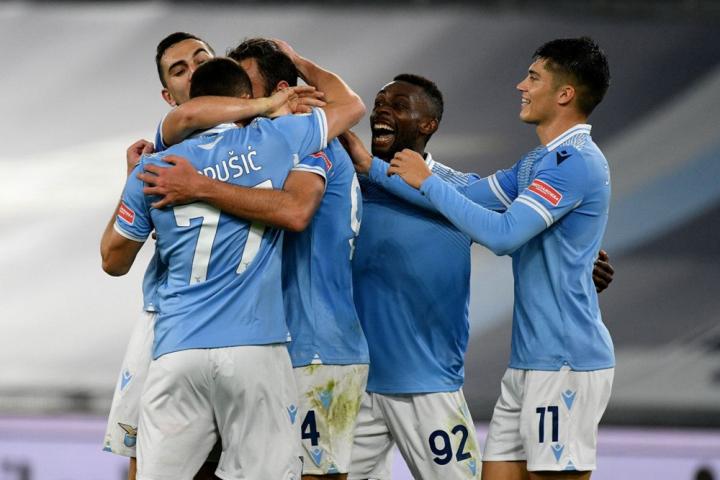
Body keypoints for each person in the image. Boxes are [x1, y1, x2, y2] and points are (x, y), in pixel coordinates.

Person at [100, 55, 364, 479]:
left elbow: (113, 261)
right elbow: (351, 106)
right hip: (255, 348)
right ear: (243, 99)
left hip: (178, 348)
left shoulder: (155, 168)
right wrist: (290, 77)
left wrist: (132, 182)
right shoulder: (277, 140)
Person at [384, 37, 614, 480]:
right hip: (528, 362)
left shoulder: (574, 163)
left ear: (565, 94)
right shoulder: (538, 162)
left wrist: (426, 181)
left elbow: (503, 235)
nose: (520, 86)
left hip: (565, 362)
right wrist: (372, 166)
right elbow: (469, 195)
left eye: (533, 77)